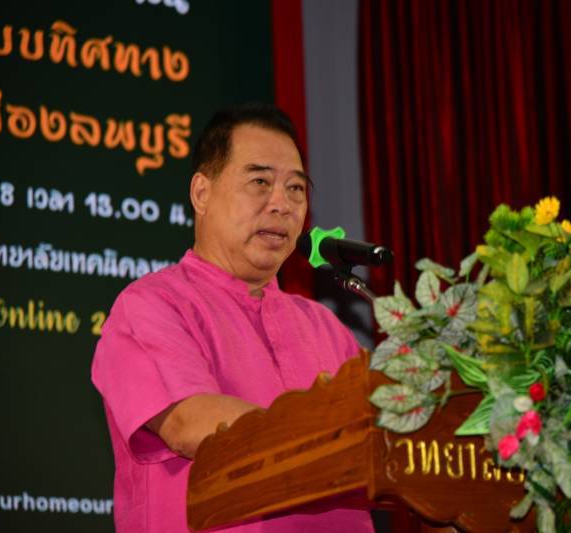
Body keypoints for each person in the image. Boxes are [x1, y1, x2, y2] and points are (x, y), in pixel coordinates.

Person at [91, 103, 374, 533]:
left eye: (296, 189)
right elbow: (191, 423)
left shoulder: (326, 328)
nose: (282, 204)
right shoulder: (151, 305)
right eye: (260, 182)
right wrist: (334, 443)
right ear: (201, 193)